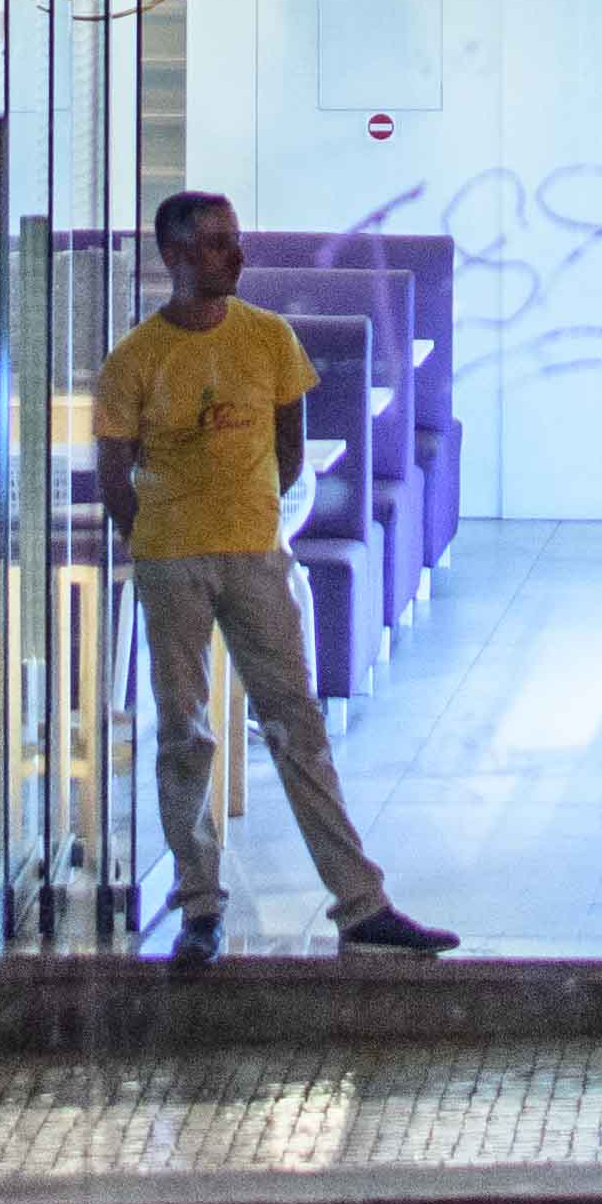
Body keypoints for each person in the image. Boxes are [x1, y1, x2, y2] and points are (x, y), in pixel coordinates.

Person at [92, 190, 458, 972]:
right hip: (173, 562)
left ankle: (360, 903)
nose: (237, 256)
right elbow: (114, 472)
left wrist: (250, 514)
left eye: (234, 240)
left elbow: (291, 446)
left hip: (257, 557)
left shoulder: (268, 338)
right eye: (217, 243)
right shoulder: (136, 359)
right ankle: (199, 901)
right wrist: (155, 544)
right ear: (176, 257)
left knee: (297, 724)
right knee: (184, 731)